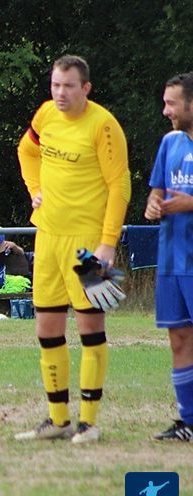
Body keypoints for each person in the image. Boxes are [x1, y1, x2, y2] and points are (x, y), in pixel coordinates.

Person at [15, 55, 130, 444]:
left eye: (68, 86)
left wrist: (107, 243)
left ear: (86, 88)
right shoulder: (46, 114)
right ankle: (58, 419)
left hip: (87, 245)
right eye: (55, 85)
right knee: (47, 329)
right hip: (47, 237)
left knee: (90, 329)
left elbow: (119, 185)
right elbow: (26, 151)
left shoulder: (103, 125)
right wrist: (35, 189)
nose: (60, 93)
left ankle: (89, 423)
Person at [144, 72, 193, 442]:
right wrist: (154, 204)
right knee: (178, 338)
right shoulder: (169, 142)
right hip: (172, 258)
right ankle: (188, 421)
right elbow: (157, 190)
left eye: (171, 103)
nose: (166, 111)